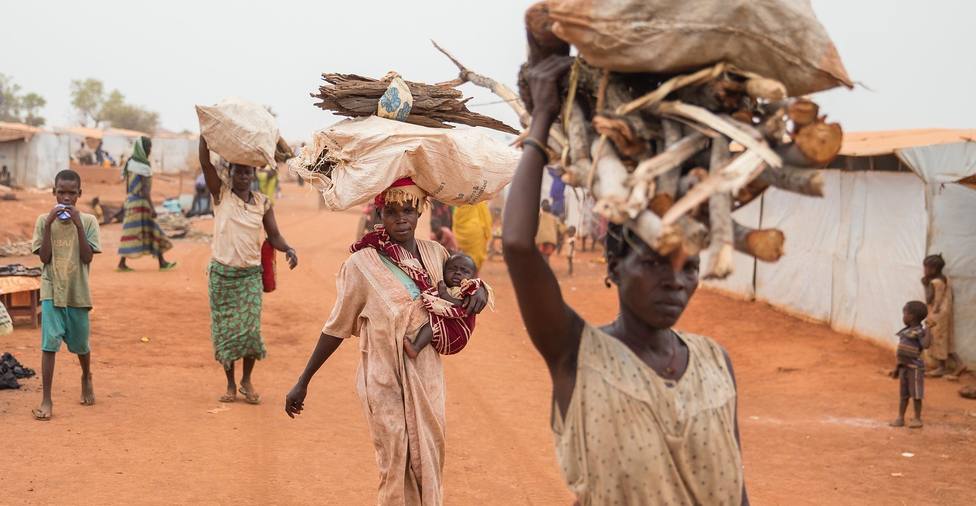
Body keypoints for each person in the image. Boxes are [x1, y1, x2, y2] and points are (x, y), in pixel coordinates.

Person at [502, 55, 748, 504]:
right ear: (614, 267)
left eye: (689, 266)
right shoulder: (576, 354)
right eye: (655, 262)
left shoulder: (716, 363)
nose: (675, 280)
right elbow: (518, 245)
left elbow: (737, 490)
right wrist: (542, 117)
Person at [285, 177, 489, 505]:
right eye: (391, 211)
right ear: (379, 214)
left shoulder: (435, 254)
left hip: (427, 379)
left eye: (408, 209)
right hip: (383, 380)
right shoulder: (360, 265)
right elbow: (335, 327)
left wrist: (480, 289)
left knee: (429, 460)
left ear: (420, 211)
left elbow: (461, 283)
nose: (401, 218)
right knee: (394, 460)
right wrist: (303, 380)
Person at [199, 137, 298, 404]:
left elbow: (274, 235)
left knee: (251, 332)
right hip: (222, 276)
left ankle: (247, 381)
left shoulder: (262, 203)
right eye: (238, 171)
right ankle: (231, 385)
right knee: (226, 332)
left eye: (247, 171)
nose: (243, 176)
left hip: (249, 276)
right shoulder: (220, 195)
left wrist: (287, 248)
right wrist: (205, 136)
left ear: (253, 174)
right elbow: (205, 164)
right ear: (230, 173)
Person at [30, 169, 101, 420]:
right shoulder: (43, 221)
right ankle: (46, 399)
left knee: (81, 344)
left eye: (72, 193)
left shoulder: (89, 222)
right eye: (61, 192)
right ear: (54, 193)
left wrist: (78, 224)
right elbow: (44, 257)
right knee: (49, 345)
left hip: (77, 292)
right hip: (51, 289)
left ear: (80, 194)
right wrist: (49, 223)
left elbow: (87, 256)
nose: (66, 198)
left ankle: (86, 376)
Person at [403, 252, 489, 358]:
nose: (457, 273)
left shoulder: (466, 289)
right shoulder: (448, 287)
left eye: (465, 271)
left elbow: (462, 307)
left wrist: (443, 294)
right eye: (452, 269)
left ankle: (416, 348)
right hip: (446, 331)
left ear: (473, 277)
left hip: (456, 334)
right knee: (431, 322)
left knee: (432, 324)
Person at [116, 137, 177, 272]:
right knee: (150, 230)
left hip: (131, 202)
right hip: (141, 204)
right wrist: (152, 208)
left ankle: (161, 261)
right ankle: (123, 263)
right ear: (142, 149)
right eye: (148, 147)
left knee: (134, 232)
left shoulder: (130, 163)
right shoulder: (143, 167)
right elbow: (145, 191)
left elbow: (127, 187)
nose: (150, 150)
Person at [889, 301, 931, 429]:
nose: (903, 317)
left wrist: (928, 329)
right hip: (904, 367)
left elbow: (926, 345)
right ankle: (900, 417)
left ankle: (917, 418)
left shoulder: (919, 332)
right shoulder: (906, 331)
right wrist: (897, 367)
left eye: (905, 314)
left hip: (915, 368)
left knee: (916, 394)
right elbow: (901, 352)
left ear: (911, 316)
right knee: (904, 394)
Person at [921, 254, 962, 377]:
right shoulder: (946, 279)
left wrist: (925, 284)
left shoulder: (934, 282)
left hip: (936, 313)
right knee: (946, 340)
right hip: (945, 313)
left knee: (938, 339)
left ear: (933, 269)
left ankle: (941, 367)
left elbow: (929, 299)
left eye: (926, 268)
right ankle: (959, 363)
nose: (924, 270)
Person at [452, 201, 492, 270]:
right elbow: (486, 217)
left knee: (462, 259)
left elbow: (455, 217)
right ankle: (474, 277)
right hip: (475, 231)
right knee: (475, 260)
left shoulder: (459, 198)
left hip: (460, 232)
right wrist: (488, 233)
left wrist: (455, 232)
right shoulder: (478, 198)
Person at [535, 199, 560, 263]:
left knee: (541, 253)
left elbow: (535, 226)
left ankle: (541, 267)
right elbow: (557, 229)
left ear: (542, 209)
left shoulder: (540, 216)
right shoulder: (554, 218)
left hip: (541, 239)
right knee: (546, 254)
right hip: (551, 240)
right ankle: (545, 266)